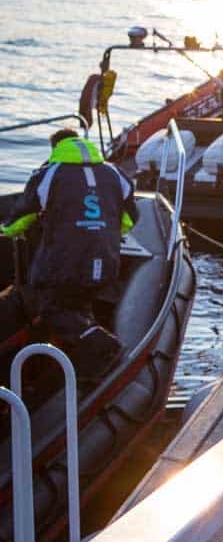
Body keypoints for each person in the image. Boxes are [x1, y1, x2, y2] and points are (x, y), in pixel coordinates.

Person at [0, 128, 138, 381]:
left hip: (65, 264)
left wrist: (6, 230)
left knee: (51, 306)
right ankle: (86, 362)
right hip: (106, 260)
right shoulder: (114, 172)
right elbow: (130, 218)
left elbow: (21, 218)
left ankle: (104, 345)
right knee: (81, 300)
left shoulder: (50, 174)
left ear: (56, 148)